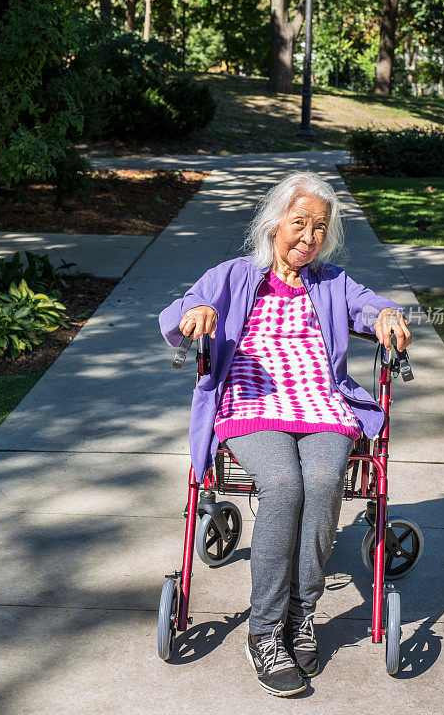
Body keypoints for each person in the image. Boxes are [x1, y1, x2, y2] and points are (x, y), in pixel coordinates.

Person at [158, 171, 411, 697]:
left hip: (322, 402)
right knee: (283, 486)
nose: (309, 237)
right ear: (275, 224)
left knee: (322, 481)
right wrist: (196, 312)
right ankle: (264, 630)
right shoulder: (231, 275)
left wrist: (387, 312)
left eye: (320, 228)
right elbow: (178, 312)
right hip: (251, 399)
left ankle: (301, 614)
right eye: (299, 224)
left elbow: (370, 305)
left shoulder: (332, 282)